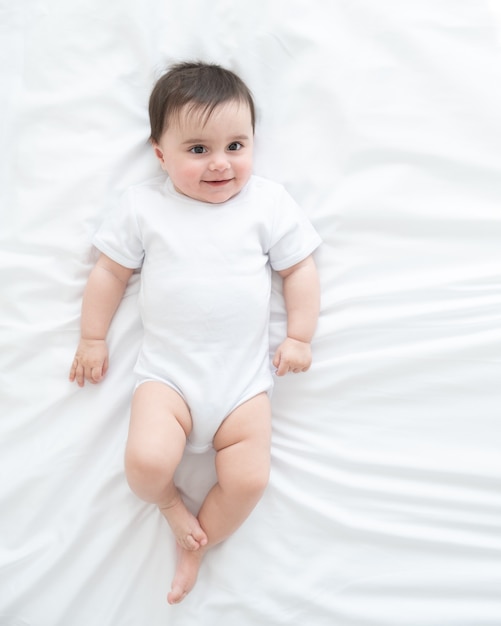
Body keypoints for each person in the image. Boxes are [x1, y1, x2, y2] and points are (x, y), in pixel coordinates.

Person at [69, 61, 321, 604]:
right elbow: (110, 272)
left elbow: (298, 268)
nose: (221, 164)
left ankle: (198, 544)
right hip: (170, 379)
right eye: (198, 150)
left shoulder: (268, 203)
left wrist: (299, 336)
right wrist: (93, 337)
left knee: (250, 480)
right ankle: (169, 505)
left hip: (243, 385)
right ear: (160, 154)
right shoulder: (144, 207)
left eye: (236, 145)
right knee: (145, 466)